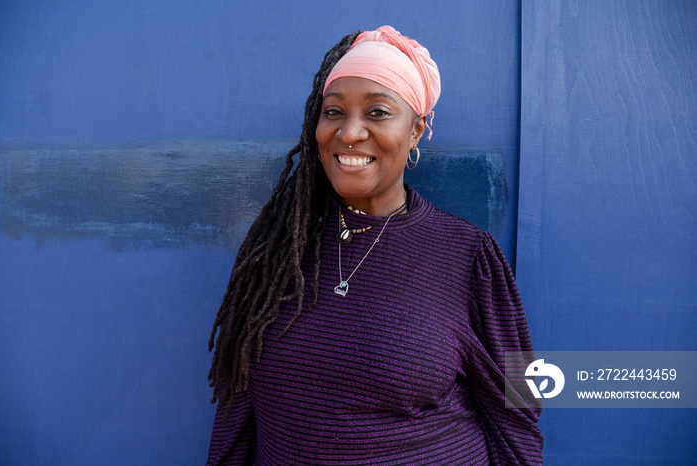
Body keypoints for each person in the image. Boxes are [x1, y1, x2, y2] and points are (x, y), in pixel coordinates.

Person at [206, 25, 543, 465]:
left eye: (378, 112)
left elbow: (519, 408)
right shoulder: (272, 255)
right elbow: (237, 413)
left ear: (416, 130)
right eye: (333, 112)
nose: (349, 133)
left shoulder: (470, 257)